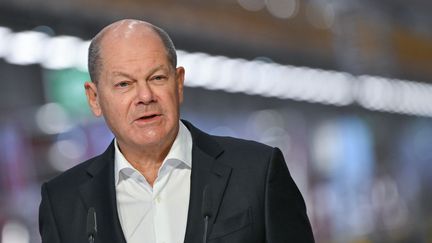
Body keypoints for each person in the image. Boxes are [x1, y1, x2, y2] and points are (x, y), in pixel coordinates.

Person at [39, 19, 315, 243]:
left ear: (179, 83)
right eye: (124, 84)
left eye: (157, 78)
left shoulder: (257, 172)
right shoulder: (62, 201)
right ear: (94, 99)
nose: (145, 96)